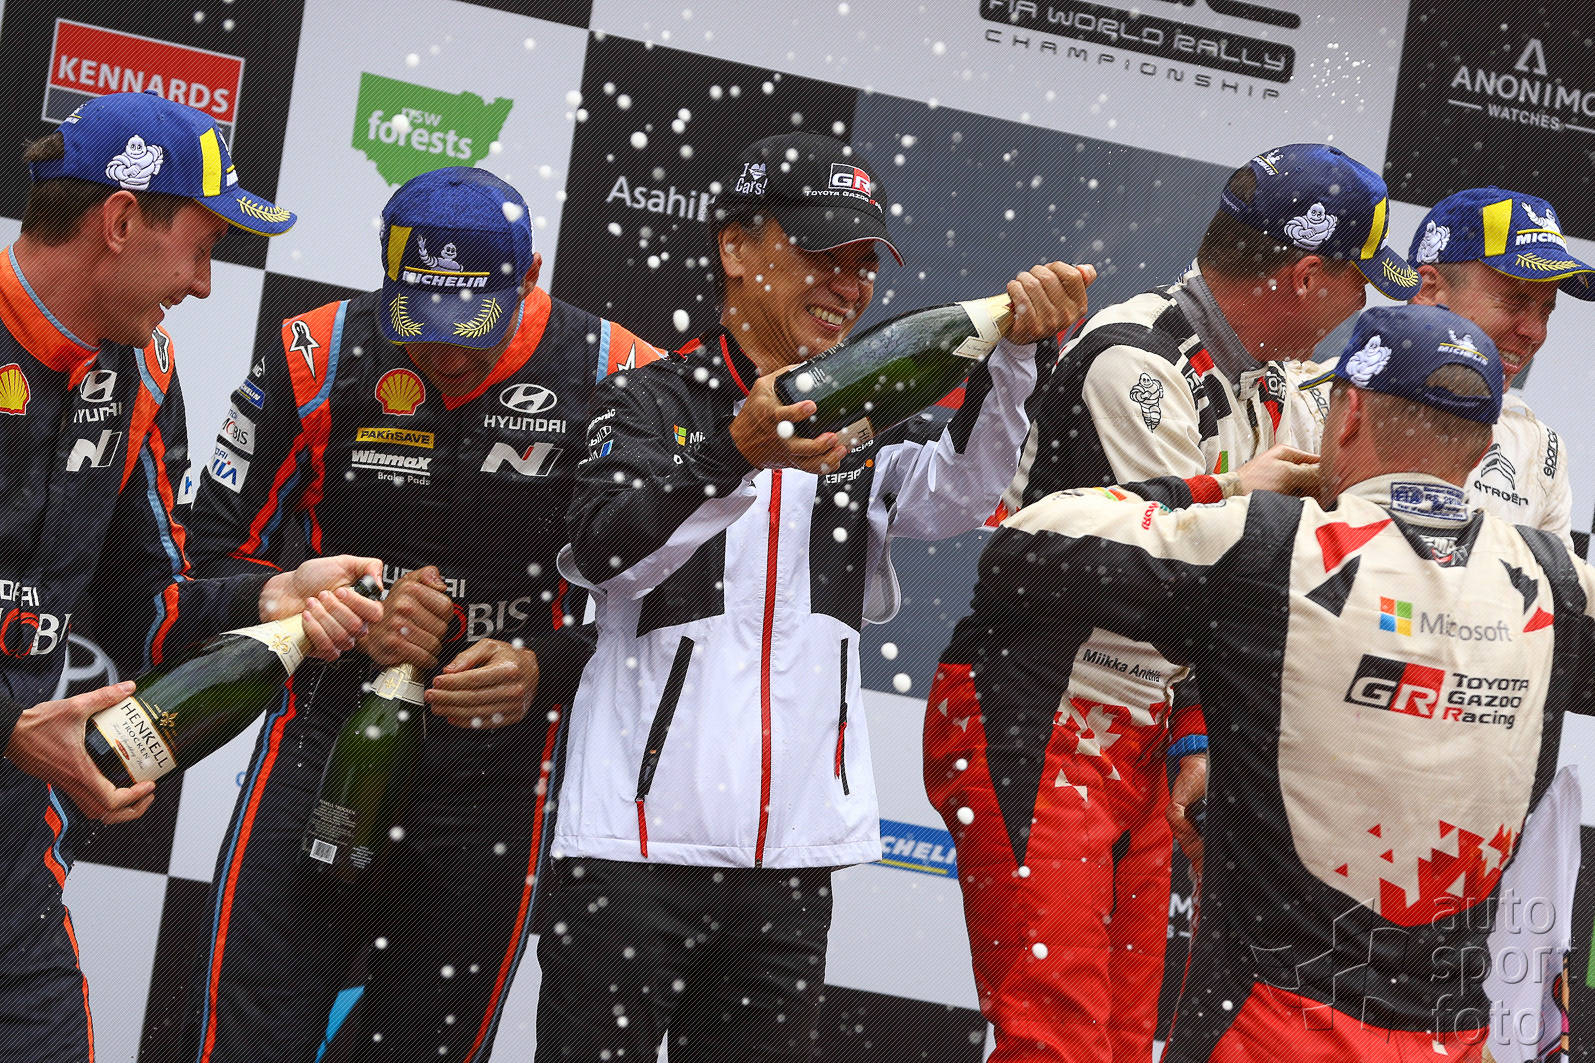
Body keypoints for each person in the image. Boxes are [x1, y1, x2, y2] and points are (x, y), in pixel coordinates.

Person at [537, 130, 1093, 1061]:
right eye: (821, 254)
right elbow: (604, 558)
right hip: (634, 856)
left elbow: (961, 493)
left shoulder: (862, 422)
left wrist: (1015, 359)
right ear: (734, 246)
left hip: (789, 869)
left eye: (864, 263)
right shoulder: (648, 401)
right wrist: (731, 456)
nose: (849, 285)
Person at [932, 302, 1592, 1061]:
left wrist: (1222, 487)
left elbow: (1029, 543)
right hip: (1447, 1034)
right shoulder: (1558, 582)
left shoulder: (1271, 547)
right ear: (1481, 453)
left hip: (1271, 1024)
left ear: (1346, 416)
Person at [929, 143, 1417, 1061]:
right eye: (1358, 283)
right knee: (1054, 1038)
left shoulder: (1276, 379)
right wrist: (1240, 495)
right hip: (1039, 707)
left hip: (1145, 727)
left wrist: (1193, 732)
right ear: (1305, 276)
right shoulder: (1134, 359)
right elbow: (1165, 574)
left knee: (1121, 1038)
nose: (1357, 309)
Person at [178, 166, 661, 1062]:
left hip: (501, 770)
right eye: (421, 324)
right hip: (324, 735)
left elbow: (676, 610)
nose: (445, 356)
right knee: (248, 1037)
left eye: (472, 327)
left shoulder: (621, 374)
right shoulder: (318, 353)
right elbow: (206, 560)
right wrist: (344, 615)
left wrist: (547, 663)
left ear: (531, 276)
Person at [0, 92, 382, 1063]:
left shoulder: (139, 371)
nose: (206, 286)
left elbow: (152, 609)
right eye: (203, 248)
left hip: (9, 846)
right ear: (122, 220)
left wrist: (274, 595)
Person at [1408, 188, 1593, 547]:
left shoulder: (1540, 449)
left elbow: (1553, 582)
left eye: (1545, 312)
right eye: (1513, 302)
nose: (1534, 332)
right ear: (1430, 290)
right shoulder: (1317, 402)